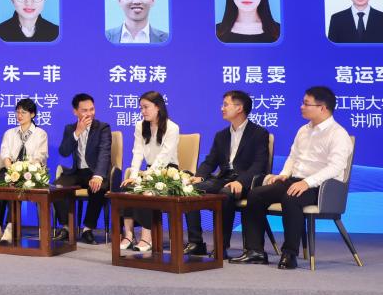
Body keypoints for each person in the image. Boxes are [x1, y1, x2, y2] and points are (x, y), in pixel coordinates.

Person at [231, 86, 352, 269]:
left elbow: (335, 167)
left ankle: (289, 253)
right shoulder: (303, 130)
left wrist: (307, 182)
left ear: (322, 108)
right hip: (295, 180)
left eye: (306, 103)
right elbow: (293, 157)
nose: (301, 107)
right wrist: (284, 174)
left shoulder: (338, 134)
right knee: (255, 194)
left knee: (291, 198)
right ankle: (255, 251)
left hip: (321, 187)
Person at [183, 91, 270, 258]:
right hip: (223, 178)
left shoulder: (259, 133)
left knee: (225, 194)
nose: (222, 108)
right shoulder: (221, 135)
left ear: (239, 108)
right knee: (190, 189)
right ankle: (196, 242)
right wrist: (200, 175)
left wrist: (241, 182)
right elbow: (210, 161)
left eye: (225, 104)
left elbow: (259, 165)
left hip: (246, 183)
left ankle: (221, 246)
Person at [120, 91, 179, 252]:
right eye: (141, 108)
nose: (143, 111)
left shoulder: (172, 128)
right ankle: (129, 235)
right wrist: (134, 176)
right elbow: (137, 152)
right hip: (148, 171)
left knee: (146, 191)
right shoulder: (140, 126)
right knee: (127, 188)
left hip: (167, 173)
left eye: (146, 107)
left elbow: (163, 158)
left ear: (158, 107)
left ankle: (147, 237)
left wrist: (144, 178)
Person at [53, 94, 111, 244]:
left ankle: (87, 229)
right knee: (56, 187)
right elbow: (63, 151)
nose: (89, 113)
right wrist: (77, 132)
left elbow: (104, 153)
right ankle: (66, 227)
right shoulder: (70, 129)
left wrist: (98, 175)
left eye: (92, 109)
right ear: (75, 112)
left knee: (98, 187)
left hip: (95, 171)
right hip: (77, 172)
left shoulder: (103, 128)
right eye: (84, 110)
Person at [0, 98, 48, 244]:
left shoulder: (40, 133)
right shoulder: (9, 133)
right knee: (1, 183)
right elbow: (5, 154)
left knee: (17, 184)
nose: (19, 115)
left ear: (32, 114)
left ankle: (10, 225)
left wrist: (24, 171)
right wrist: (12, 171)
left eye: (23, 112)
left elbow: (40, 157)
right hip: (10, 170)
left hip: (31, 173)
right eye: (18, 112)